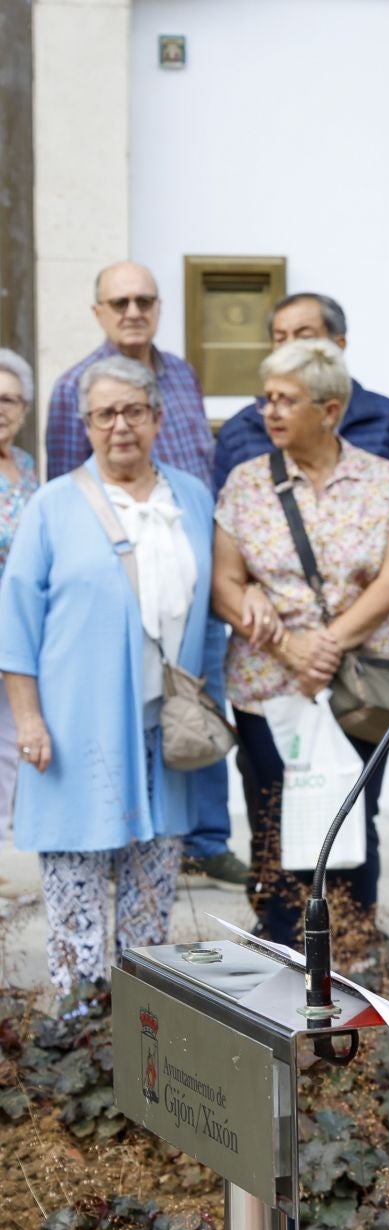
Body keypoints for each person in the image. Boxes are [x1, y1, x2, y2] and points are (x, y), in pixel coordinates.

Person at [0, 356, 223, 993]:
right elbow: (15, 623)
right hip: (75, 731)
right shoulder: (52, 505)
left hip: (165, 730)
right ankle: (78, 1032)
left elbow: (213, 611)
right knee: (75, 903)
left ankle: (136, 1040)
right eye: (104, 414)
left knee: (149, 912)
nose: (120, 426)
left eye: (133, 411)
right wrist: (28, 720)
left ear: (157, 418)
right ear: (86, 425)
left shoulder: (192, 496)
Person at [210, 339, 389, 946]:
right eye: (266, 399)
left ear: (329, 411)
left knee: (354, 813)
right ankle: (280, 947)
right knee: (275, 817)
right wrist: (288, 650)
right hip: (267, 687)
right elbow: (225, 583)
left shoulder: (380, 478)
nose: (269, 412)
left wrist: (321, 645)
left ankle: (351, 949)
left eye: (286, 400)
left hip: (359, 684)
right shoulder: (247, 484)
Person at [44, 261, 237, 886]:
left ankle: (204, 839)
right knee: (128, 713)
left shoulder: (179, 374)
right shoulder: (78, 385)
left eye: (144, 300)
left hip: (190, 571)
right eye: (119, 301)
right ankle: (124, 826)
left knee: (197, 703)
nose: (133, 311)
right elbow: (68, 490)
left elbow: (201, 469)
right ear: (98, 311)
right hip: (124, 582)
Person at [212, 292, 389, 651]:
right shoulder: (242, 439)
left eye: (304, 335)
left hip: (367, 657)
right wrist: (289, 643)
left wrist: (327, 642)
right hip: (270, 661)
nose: (290, 347)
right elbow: (224, 563)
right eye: (280, 338)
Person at [0, 348, 41, 839]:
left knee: (13, 737)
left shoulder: (27, 466)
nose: (2, 409)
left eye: (11, 400)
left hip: (21, 626)